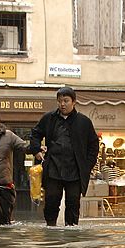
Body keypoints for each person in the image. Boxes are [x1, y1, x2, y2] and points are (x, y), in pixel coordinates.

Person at [28, 86, 99, 226]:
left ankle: (71, 233)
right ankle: (50, 229)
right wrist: (36, 150)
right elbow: (35, 134)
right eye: (60, 101)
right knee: (51, 201)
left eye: (66, 101)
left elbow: (93, 145)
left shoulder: (84, 122)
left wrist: (87, 166)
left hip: (75, 170)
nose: (62, 104)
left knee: (73, 203)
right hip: (54, 167)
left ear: (74, 102)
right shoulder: (49, 118)